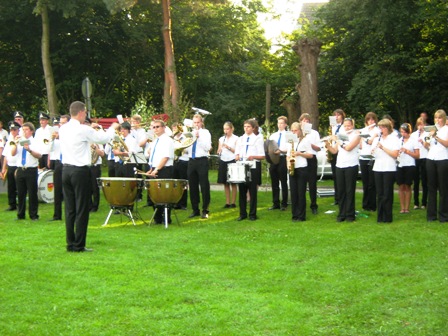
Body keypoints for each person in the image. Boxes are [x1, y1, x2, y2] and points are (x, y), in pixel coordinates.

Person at [59, 101, 117, 252]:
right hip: (79, 171)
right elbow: (102, 139)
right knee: (82, 208)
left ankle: (70, 243)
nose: (85, 115)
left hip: (65, 170)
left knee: (70, 209)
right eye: (85, 112)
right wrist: (112, 128)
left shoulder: (63, 128)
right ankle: (79, 245)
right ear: (80, 112)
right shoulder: (82, 129)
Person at [326, 118, 361, 222]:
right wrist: (327, 145)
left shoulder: (356, 135)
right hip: (340, 165)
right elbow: (334, 150)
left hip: (351, 165)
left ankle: (350, 215)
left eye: (349, 126)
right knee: (341, 191)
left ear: (352, 126)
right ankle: (341, 214)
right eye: (345, 126)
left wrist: (337, 140)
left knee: (349, 191)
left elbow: (348, 148)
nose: (347, 128)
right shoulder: (341, 135)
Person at [234, 119, 265, 221]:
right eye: (245, 126)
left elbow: (262, 156)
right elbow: (237, 153)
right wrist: (237, 156)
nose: (246, 128)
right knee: (242, 191)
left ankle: (252, 214)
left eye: (248, 127)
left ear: (252, 128)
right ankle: (242, 213)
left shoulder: (257, 139)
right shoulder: (240, 139)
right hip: (242, 166)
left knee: (252, 191)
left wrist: (253, 156)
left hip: (253, 167)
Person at [11, 122, 42, 221]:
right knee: (20, 193)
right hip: (21, 169)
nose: (24, 132)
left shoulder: (35, 141)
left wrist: (29, 150)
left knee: (32, 193)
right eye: (23, 130)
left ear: (31, 131)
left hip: (31, 169)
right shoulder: (19, 141)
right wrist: (15, 144)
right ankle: (20, 214)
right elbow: (12, 153)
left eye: (26, 130)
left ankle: (33, 215)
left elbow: (39, 155)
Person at [145, 119, 175, 224]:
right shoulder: (155, 141)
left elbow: (165, 157)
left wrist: (157, 169)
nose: (156, 129)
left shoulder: (167, 140)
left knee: (164, 194)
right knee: (154, 194)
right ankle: (157, 217)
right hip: (154, 169)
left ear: (163, 128)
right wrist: (151, 169)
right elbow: (154, 157)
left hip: (164, 169)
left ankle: (166, 218)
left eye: (158, 127)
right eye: (154, 127)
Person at [372, 119, 401, 223]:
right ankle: (380, 217)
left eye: (383, 127)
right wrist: (373, 151)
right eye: (380, 127)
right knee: (379, 193)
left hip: (389, 168)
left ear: (388, 128)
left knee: (387, 193)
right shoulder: (376, 139)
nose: (381, 129)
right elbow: (374, 154)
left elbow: (395, 154)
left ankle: (388, 217)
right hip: (378, 167)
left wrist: (383, 147)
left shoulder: (394, 139)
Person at [187, 114, 212, 219]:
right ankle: (195, 209)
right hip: (191, 161)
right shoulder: (189, 133)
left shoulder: (205, 133)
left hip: (202, 160)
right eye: (194, 122)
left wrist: (198, 138)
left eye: (198, 122)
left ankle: (205, 209)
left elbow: (207, 148)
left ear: (201, 122)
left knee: (204, 186)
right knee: (192, 186)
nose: (196, 124)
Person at [426, 109, 448, 223]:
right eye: (436, 118)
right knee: (431, 187)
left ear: (444, 119)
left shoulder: (446, 129)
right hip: (431, 158)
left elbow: (446, 144)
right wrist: (427, 137)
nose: (437, 120)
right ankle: (431, 215)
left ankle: (444, 215)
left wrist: (436, 137)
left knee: (443, 188)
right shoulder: (432, 129)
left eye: (440, 118)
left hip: (443, 159)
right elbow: (427, 144)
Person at [287, 122, 312, 222]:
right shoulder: (290, 141)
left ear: (300, 131)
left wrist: (299, 153)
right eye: (292, 130)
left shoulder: (305, 141)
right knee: (293, 192)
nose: (294, 132)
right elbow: (288, 155)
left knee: (301, 192)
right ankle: (295, 215)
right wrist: (288, 165)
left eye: (295, 130)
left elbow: (310, 155)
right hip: (293, 167)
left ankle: (301, 215)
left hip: (302, 167)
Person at [299, 113, 321, 214]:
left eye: (307, 121)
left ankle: (314, 205)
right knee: (301, 183)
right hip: (301, 158)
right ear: (300, 122)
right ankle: (300, 204)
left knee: (312, 183)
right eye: (304, 121)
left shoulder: (314, 133)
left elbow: (318, 147)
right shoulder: (298, 133)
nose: (305, 123)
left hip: (311, 158)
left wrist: (310, 144)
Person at [49, 115, 69, 221]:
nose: (61, 125)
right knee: (57, 190)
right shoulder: (55, 135)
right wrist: (52, 139)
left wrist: (60, 137)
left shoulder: (70, 134)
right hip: (58, 163)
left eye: (64, 123)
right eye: (60, 123)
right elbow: (49, 149)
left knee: (68, 191)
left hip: (68, 163)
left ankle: (70, 214)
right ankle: (57, 215)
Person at [396, 123, 419, 214]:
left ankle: (407, 207)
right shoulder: (399, 140)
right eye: (401, 132)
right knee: (401, 186)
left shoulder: (413, 140)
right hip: (400, 164)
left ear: (408, 132)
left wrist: (407, 151)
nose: (403, 134)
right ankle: (402, 208)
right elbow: (396, 152)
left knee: (408, 186)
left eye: (405, 132)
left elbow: (417, 155)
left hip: (410, 165)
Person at [359, 112, 379, 211]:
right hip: (363, 157)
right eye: (369, 119)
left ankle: (372, 205)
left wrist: (367, 138)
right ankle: (365, 204)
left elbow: (371, 142)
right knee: (365, 183)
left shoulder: (377, 130)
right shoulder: (363, 130)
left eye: (372, 119)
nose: (371, 121)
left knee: (372, 183)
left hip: (372, 158)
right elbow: (360, 144)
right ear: (366, 121)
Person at [268, 116, 289, 210]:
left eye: (281, 123)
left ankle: (284, 203)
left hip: (283, 158)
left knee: (283, 181)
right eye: (278, 123)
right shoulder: (273, 135)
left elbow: (289, 148)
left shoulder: (288, 135)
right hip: (274, 159)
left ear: (285, 124)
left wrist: (280, 150)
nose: (279, 125)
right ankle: (275, 203)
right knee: (274, 181)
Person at [217, 121, 239, 208]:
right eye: (224, 129)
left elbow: (237, 151)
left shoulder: (236, 138)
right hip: (223, 160)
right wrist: (219, 150)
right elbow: (219, 149)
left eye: (227, 129)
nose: (226, 131)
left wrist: (228, 147)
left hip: (232, 160)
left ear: (231, 129)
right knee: (225, 182)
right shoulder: (221, 139)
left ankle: (233, 202)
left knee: (233, 182)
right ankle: (227, 202)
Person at [1, 121, 21, 211]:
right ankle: (12, 204)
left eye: (14, 130)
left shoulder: (20, 139)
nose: (13, 131)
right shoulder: (9, 140)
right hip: (10, 165)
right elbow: (5, 155)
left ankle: (20, 203)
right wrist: (4, 168)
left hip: (18, 166)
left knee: (19, 186)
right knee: (11, 186)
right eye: (11, 130)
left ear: (18, 130)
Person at [411, 118, 429, 210]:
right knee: (416, 181)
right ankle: (416, 202)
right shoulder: (413, 135)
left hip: (425, 158)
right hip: (416, 158)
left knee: (425, 181)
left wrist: (423, 142)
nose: (420, 126)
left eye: (422, 124)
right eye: (419, 124)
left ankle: (424, 202)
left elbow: (428, 146)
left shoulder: (427, 134)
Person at [172, 122, 189, 210]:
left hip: (183, 161)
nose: (175, 130)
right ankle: (176, 202)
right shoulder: (173, 139)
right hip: (175, 161)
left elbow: (188, 150)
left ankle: (183, 203)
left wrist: (182, 147)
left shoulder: (185, 138)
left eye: (176, 128)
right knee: (175, 183)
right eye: (174, 129)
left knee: (183, 182)